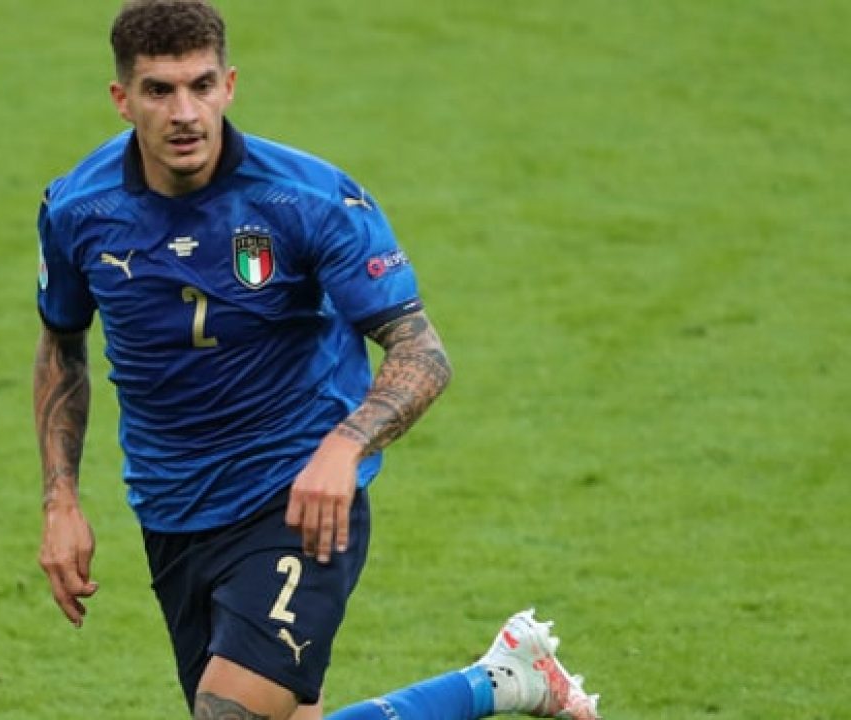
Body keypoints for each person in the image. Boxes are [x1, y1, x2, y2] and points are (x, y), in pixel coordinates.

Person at [33, 1, 602, 718]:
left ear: (229, 86)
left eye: (201, 86)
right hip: (172, 505)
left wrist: (343, 446)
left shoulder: (308, 198)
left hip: (299, 494)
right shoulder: (79, 209)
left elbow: (422, 351)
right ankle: (501, 680)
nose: (185, 112)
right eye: (159, 90)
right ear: (123, 99)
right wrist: (61, 500)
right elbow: (62, 346)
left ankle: (500, 680)